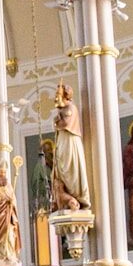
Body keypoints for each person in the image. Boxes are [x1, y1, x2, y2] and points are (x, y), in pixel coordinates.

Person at [50, 84, 90, 214]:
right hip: (62, 141)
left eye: (58, 95)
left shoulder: (70, 108)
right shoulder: (61, 110)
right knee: (61, 168)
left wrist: (57, 122)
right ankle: (65, 200)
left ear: (65, 96)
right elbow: (58, 124)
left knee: (71, 168)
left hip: (70, 143)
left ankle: (77, 198)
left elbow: (65, 124)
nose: (56, 97)